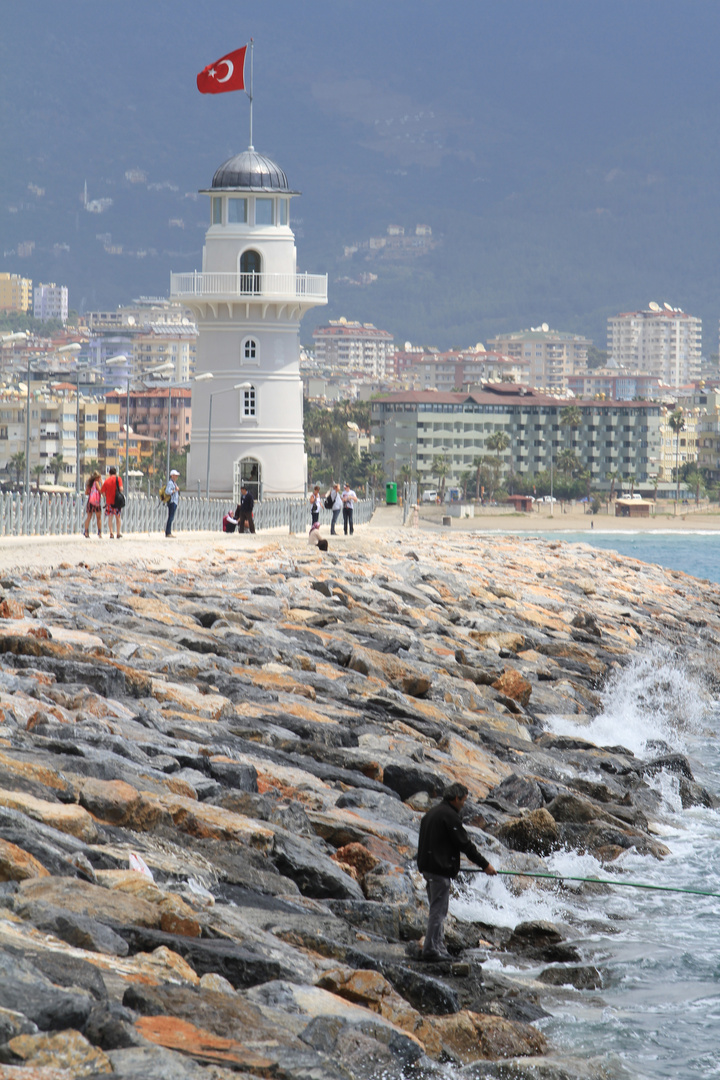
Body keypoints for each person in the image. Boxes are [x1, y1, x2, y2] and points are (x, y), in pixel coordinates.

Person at [416, 782, 497, 961]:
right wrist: (485, 865)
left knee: (437, 909)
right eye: (463, 801)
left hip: (428, 868)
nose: (464, 805)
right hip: (439, 871)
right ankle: (430, 949)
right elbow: (465, 845)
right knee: (438, 911)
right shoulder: (450, 816)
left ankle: (438, 947)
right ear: (455, 798)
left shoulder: (431, 813)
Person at [100, 466, 123, 539]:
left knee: (110, 517)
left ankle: (111, 533)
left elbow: (103, 492)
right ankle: (118, 533)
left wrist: (107, 494)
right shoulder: (118, 479)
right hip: (117, 501)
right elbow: (121, 489)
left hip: (109, 501)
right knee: (118, 517)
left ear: (109, 473)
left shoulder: (107, 481)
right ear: (116, 473)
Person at [83, 471, 103, 538]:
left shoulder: (90, 484)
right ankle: (99, 532)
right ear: (97, 477)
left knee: (88, 517)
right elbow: (101, 490)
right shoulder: (96, 483)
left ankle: (86, 532)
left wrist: (92, 492)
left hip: (90, 501)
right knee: (98, 518)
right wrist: (101, 482)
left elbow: (86, 493)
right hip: (96, 502)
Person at [165, 469, 180, 537]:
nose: (177, 477)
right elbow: (167, 491)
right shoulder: (170, 483)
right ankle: (168, 532)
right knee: (170, 517)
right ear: (172, 476)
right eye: (175, 476)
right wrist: (174, 490)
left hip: (174, 502)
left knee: (171, 517)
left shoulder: (174, 483)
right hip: (172, 502)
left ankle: (169, 532)